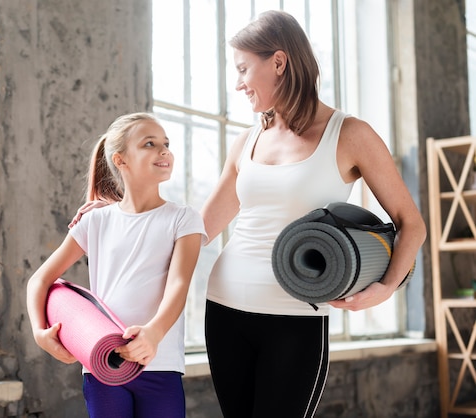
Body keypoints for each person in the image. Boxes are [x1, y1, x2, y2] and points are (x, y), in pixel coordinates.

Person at [200, 10, 427, 418]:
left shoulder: (350, 134)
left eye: (243, 69)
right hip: (224, 307)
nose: (237, 84)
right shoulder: (247, 141)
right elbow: (199, 229)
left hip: (296, 319)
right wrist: (119, 214)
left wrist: (387, 287)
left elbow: (412, 224)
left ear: (279, 62)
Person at [26, 112, 206, 418]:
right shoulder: (95, 221)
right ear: (120, 160)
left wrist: (153, 333)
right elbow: (40, 280)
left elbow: (179, 284)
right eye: (149, 144)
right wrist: (39, 332)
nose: (163, 150)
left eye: (166, 143)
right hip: (102, 366)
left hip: (159, 363)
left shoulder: (183, 218)